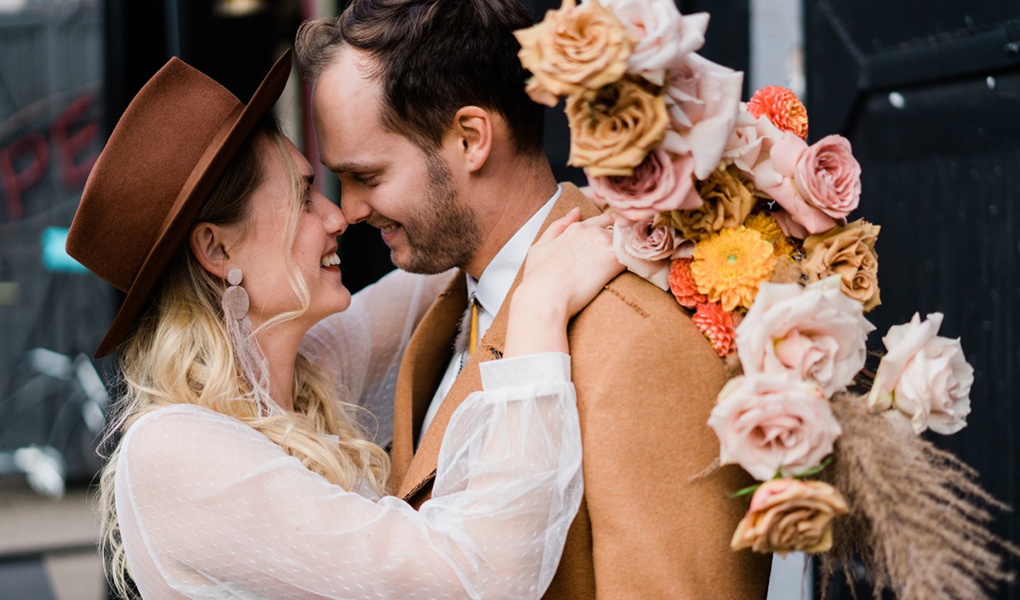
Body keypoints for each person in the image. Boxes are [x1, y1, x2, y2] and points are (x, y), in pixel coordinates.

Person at [67, 51, 624, 599]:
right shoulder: (173, 450)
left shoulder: (307, 376)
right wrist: (539, 309)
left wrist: (652, 193)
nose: (338, 216)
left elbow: (485, 243)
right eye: (305, 197)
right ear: (216, 247)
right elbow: (468, 579)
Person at [295, 0, 773, 598]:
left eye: (368, 176)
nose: (350, 210)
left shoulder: (642, 338)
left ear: (471, 139)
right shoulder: (439, 316)